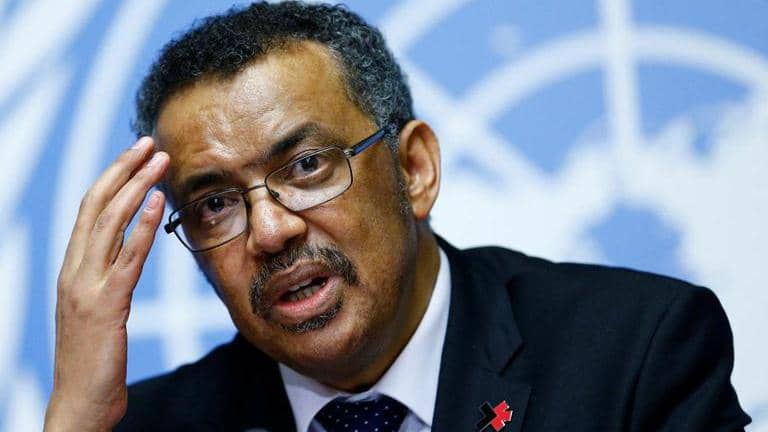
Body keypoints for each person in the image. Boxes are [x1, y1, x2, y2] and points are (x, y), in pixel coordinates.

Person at [43, 2, 751, 431]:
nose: (271, 231)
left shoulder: (634, 354)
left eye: (306, 166)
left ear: (414, 169)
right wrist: (75, 419)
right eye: (216, 204)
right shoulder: (151, 424)